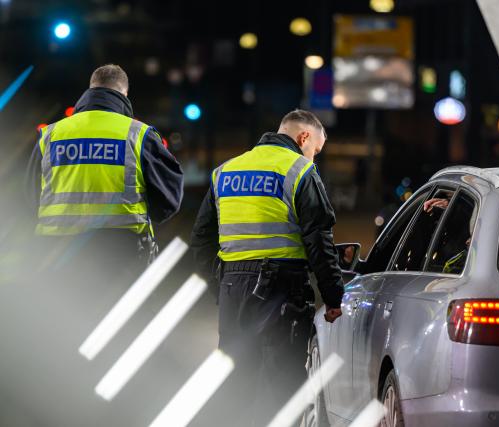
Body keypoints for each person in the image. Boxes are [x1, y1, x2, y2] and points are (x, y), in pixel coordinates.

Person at [191, 109, 344, 425]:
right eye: (315, 149)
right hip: (282, 288)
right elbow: (318, 240)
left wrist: (217, 284)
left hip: (233, 287)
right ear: (304, 137)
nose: (313, 158)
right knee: (284, 386)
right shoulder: (299, 171)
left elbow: (201, 237)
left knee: (235, 381)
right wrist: (332, 296)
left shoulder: (226, 171)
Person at [25, 64, 183, 271]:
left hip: (56, 252)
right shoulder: (138, 134)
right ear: (124, 94)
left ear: (91, 90)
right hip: (120, 252)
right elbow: (169, 197)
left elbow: (30, 194)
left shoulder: (51, 134)